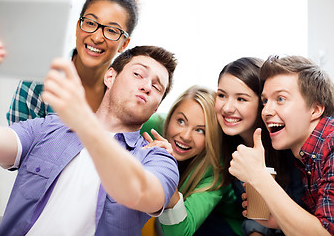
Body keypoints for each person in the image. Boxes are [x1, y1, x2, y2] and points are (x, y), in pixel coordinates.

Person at [0, 45, 179, 235]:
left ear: (156, 107)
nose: (147, 86)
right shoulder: (48, 127)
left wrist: (84, 122)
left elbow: (139, 192)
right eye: (138, 74)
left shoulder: (159, 158)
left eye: (157, 87)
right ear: (110, 76)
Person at [229, 55, 334, 235]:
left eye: (280, 99)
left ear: (316, 109)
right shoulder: (306, 157)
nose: (267, 111)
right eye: (265, 101)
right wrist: (278, 220)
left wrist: (259, 176)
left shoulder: (331, 144)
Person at [6, 0, 138, 124]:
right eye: (90, 23)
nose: (97, 38)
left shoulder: (126, 93)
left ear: (124, 44)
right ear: (77, 27)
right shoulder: (40, 81)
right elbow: (17, 144)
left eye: (111, 30)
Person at [214, 57, 304, 236]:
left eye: (241, 99)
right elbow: (257, 216)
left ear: (263, 104)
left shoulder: (288, 147)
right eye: (222, 95)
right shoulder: (230, 146)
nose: (227, 108)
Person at [143, 85, 243, 236]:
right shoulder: (152, 126)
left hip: (221, 226)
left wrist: (167, 173)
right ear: (170, 117)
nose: (185, 136)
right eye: (181, 121)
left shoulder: (216, 172)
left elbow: (179, 233)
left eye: (200, 130)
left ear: (211, 137)